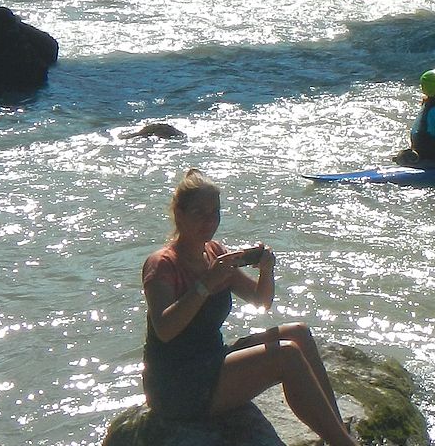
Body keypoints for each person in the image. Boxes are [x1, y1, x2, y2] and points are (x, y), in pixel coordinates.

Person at [140, 169, 358, 444]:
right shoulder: (162, 264)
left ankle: (336, 430)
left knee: (298, 333)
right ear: (179, 214)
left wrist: (266, 270)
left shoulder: (215, 253)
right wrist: (206, 284)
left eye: (215, 213)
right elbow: (165, 329)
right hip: (177, 384)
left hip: (212, 359)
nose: (209, 222)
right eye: (199, 213)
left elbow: (261, 301)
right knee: (286, 355)